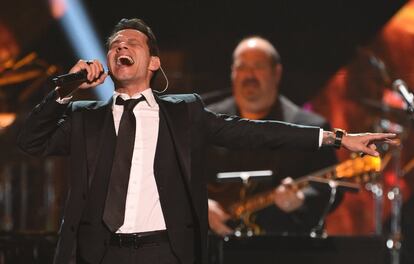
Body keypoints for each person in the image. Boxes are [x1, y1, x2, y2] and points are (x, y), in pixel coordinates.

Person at [17, 18, 397, 264]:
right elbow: (31, 142)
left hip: (163, 252)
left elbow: (258, 132)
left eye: (133, 43)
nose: (122, 48)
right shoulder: (86, 118)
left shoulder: (183, 113)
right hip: (97, 253)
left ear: (153, 63)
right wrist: (64, 90)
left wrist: (338, 138)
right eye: (115, 44)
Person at [206, 36, 339, 236]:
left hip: (285, 247)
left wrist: (301, 199)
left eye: (258, 66)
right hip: (215, 246)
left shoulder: (311, 127)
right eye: (242, 67)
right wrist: (202, 206)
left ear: (276, 73)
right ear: (232, 73)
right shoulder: (206, 122)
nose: (249, 75)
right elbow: (177, 178)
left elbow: (331, 187)